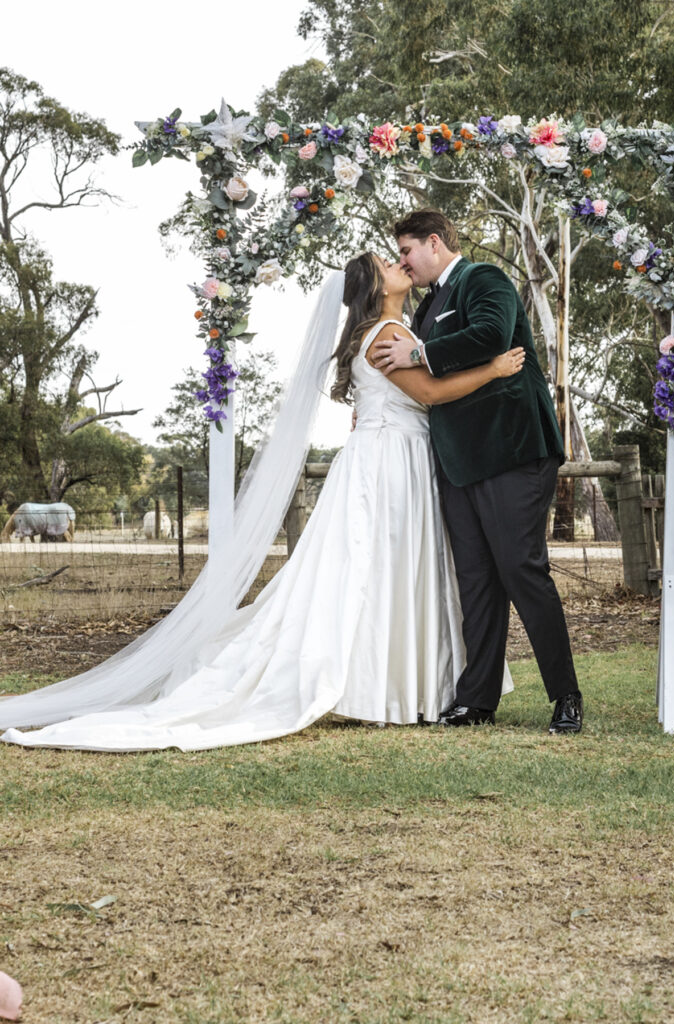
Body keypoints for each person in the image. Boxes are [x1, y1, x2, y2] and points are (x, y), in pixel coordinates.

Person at [0, 254, 523, 752]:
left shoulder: (387, 329)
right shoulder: (387, 332)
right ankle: (388, 686)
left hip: (387, 456)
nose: (398, 264)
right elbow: (429, 394)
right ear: (374, 287)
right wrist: (494, 370)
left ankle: (392, 686)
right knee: (386, 567)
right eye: (386, 264)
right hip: (392, 464)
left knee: (379, 571)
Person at [373, 210, 582, 734]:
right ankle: (477, 700)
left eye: (406, 251)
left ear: (434, 242)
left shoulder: (483, 278)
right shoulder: (426, 307)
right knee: (476, 582)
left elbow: (491, 335)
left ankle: (566, 697)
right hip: (458, 465)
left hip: (512, 450)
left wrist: (421, 352)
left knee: (522, 570)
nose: (403, 262)